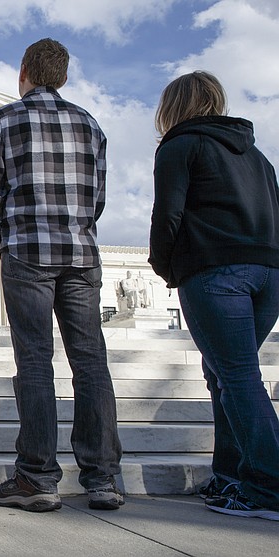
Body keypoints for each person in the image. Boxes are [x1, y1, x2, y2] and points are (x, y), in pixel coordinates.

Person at [0, 38, 123, 512]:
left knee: (36, 362)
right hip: (81, 254)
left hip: (27, 252)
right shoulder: (90, 123)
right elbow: (98, 198)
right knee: (91, 362)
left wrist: (8, 239)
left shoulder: (4, 119)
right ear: (62, 75)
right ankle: (102, 479)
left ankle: (38, 477)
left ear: (24, 70)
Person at [149, 71, 279, 521]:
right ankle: (231, 477)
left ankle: (268, 487)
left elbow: (167, 215)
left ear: (172, 106)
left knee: (238, 376)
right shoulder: (259, 157)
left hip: (215, 272)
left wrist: (166, 267)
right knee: (224, 374)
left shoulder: (180, 146)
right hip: (268, 275)